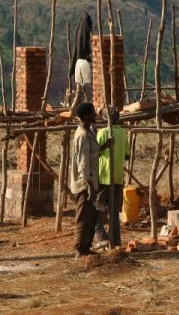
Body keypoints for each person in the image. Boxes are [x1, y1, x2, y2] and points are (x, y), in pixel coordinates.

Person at [95, 107, 129, 248]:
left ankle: (103, 237)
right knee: (114, 212)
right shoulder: (122, 133)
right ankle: (115, 241)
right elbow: (127, 155)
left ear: (103, 119)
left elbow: (94, 152)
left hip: (104, 176)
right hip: (118, 177)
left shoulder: (103, 132)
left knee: (95, 208)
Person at [71, 102, 100, 258]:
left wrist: (105, 147)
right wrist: (90, 188)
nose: (95, 114)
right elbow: (83, 164)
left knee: (90, 216)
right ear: (86, 116)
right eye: (93, 112)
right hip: (85, 185)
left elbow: (92, 154)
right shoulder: (82, 135)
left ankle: (86, 247)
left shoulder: (89, 132)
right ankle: (80, 249)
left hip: (91, 181)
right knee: (83, 217)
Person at [70, 12, 93, 107]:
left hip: (80, 65)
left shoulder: (82, 36)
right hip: (81, 66)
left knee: (81, 91)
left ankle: (76, 110)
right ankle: (73, 111)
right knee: (80, 92)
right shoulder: (83, 37)